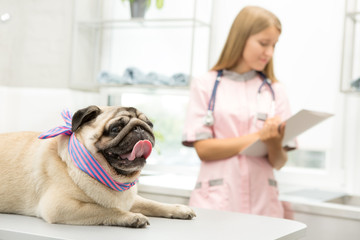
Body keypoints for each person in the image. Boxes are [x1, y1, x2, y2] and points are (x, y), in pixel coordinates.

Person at [182, 6, 296, 218]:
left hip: (263, 204)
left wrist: (272, 143)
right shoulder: (205, 84)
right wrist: (258, 137)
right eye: (263, 43)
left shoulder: (276, 90)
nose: (269, 53)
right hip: (216, 202)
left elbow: (279, 162)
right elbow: (204, 149)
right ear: (241, 38)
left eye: (273, 45)